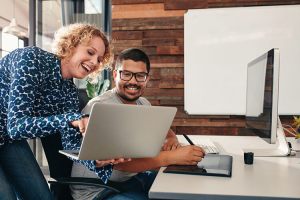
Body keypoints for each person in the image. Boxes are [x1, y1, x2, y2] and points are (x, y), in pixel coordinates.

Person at [0, 23, 128, 200]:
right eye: (90, 52)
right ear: (71, 45)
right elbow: (16, 126)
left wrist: (96, 159)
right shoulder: (31, 59)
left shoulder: (68, 92)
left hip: (8, 140)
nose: (93, 62)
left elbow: (70, 144)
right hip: (10, 132)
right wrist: (71, 118)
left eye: (99, 59)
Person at [70, 48, 206, 200]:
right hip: (98, 190)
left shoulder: (143, 103)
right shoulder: (101, 107)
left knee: (187, 189)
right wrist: (171, 157)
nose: (133, 81)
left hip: (130, 180)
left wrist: (171, 140)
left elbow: (163, 128)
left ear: (147, 79)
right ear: (115, 75)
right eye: (126, 74)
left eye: (140, 76)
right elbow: (120, 163)